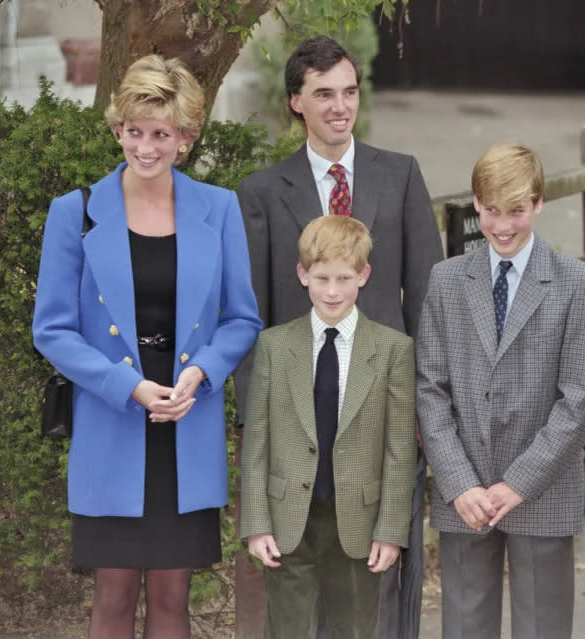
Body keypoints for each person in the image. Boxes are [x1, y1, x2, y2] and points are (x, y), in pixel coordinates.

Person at [32, 55, 261, 638]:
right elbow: (52, 329)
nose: (146, 147)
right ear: (118, 129)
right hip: (113, 419)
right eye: (134, 131)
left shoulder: (221, 207)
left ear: (185, 137)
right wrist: (125, 386)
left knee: (172, 596)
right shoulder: (75, 212)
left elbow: (241, 319)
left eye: (161, 133)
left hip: (188, 419)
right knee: (110, 594)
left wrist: (202, 373)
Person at [234, 35, 443, 639]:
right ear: (297, 101)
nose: (339, 106)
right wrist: (256, 416)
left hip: (381, 408)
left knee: (373, 576)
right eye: (323, 94)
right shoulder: (263, 193)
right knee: (297, 576)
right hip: (299, 407)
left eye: (349, 92)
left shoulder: (400, 176)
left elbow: (425, 298)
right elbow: (256, 314)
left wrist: (426, 405)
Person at [416, 143, 585, 639]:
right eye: (493, 210)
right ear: (477, 203)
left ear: (539, 204)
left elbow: (583, 396)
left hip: (541, 489)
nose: (503, 225)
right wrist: (458, 481)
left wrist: (519, 482)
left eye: (517, 211)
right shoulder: (446, 280)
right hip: (467, 495)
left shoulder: (577, 284)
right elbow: (430, 388)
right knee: (463, 625)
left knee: (542, 626)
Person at [240, 214, 417, 638]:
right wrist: (256, 522)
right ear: (303, 275)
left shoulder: (393, 349)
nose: (332, 291)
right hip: (289, 520)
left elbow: (399, 450)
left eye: (343, 277)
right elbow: (258, 439)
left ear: (364, 275)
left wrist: (391, 530)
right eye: (321, 278)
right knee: (287, 629)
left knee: (354, 629)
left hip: (357, 520)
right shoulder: (275, 346)